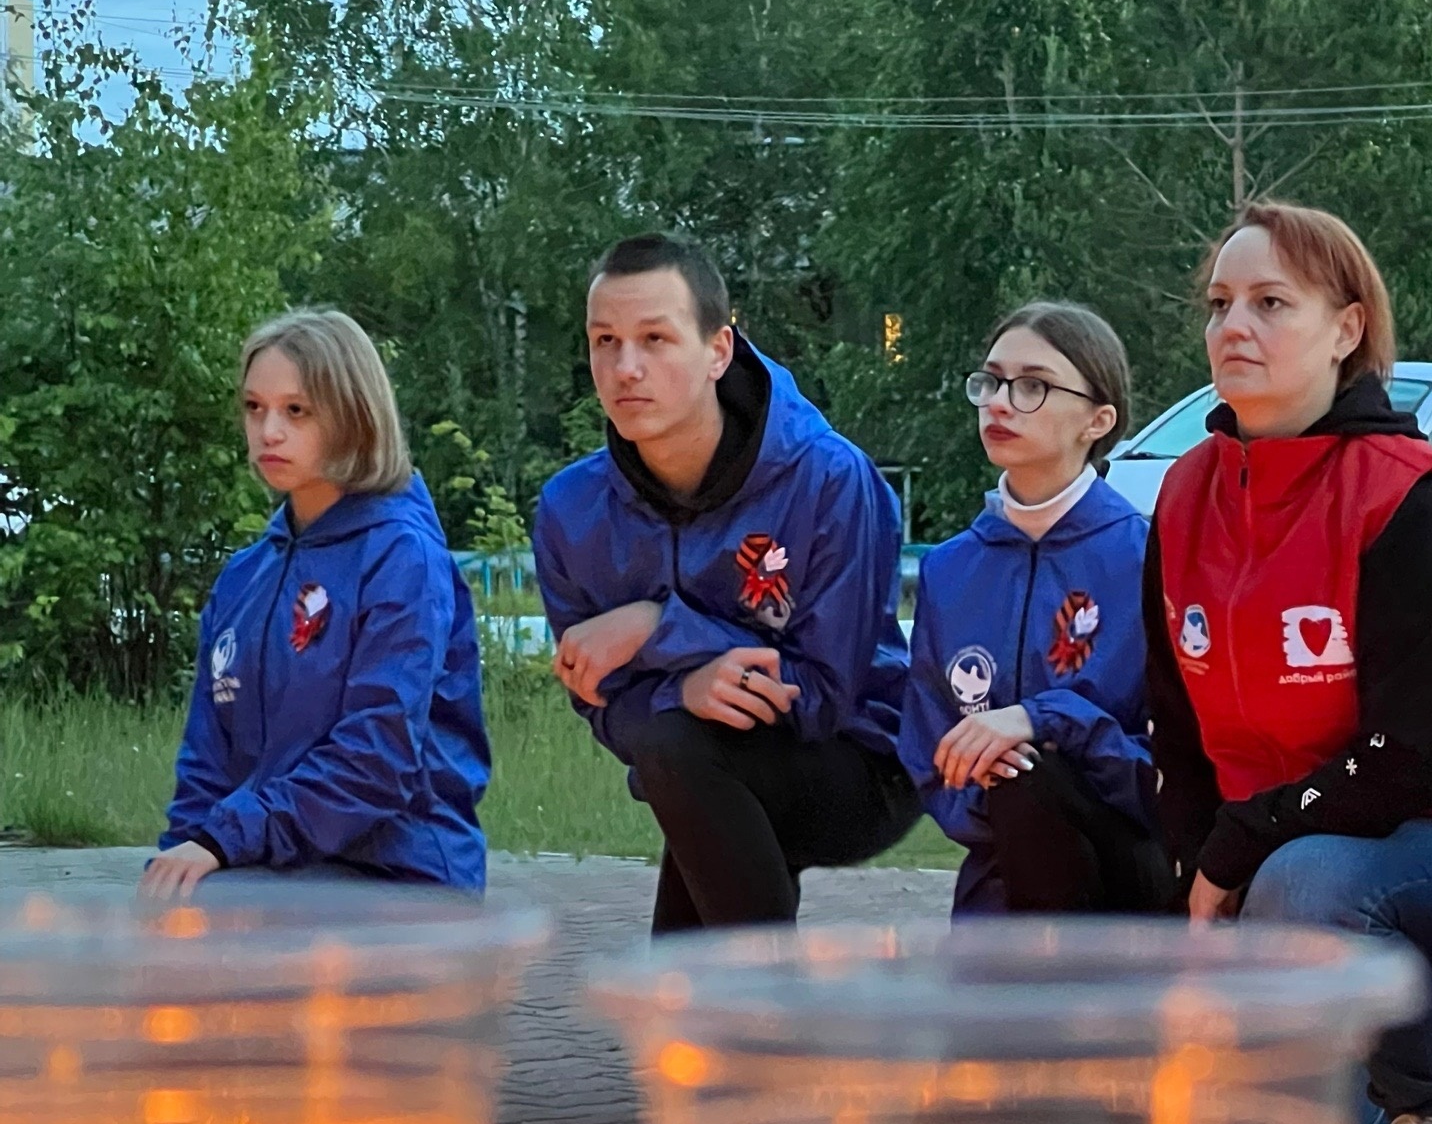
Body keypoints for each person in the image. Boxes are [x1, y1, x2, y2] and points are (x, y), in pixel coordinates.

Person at [1144, 201, 1432, 1124]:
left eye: (1270, 303)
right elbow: (1179, 730)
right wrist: (1200, 904)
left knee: (1306, 880)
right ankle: (1375, 1046)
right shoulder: (1184, 494)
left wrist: (1235, 857)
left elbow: (1408, 759)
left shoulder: (1410, 499)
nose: (1233, 327)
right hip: (1296, 857)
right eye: (1219, 305)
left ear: (1346, 330)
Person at [534, 232, 916, 933]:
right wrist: (684, 687)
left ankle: (758, 1018)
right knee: (676, 754)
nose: (626, 368)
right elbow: (600, 702)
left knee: (679, 752)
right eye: (604, 341)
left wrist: (656, 628)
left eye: (656, 339)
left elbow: (826, 695)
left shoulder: (829, 480)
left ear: (718, 350)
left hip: (860, 762)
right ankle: (722, 1019)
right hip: (693, 762)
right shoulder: (572, 512)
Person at [147, 309, 490, 900]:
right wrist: (185, 854)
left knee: (219, 925)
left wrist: (225, 841)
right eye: (255, 408)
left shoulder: (401, 557)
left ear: (353, 414)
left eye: (295, 410)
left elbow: (379, 757)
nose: (268, 431)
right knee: (161, 924)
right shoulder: (243, 578)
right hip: (278, 862)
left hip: (399, 872)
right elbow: (206, 761)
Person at [901, 302, 1170, 914]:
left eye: (1033, 387)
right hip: (997, 894)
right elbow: (928, 755)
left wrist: (1046, 721)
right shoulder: (948, 571)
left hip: (1128, 885)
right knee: (1019, 782)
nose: (998, 402)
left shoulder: (1150, 558)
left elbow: (1173, 776)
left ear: (1097, 420)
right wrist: (995, 782)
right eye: (991, 382)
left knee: (1031, 777)